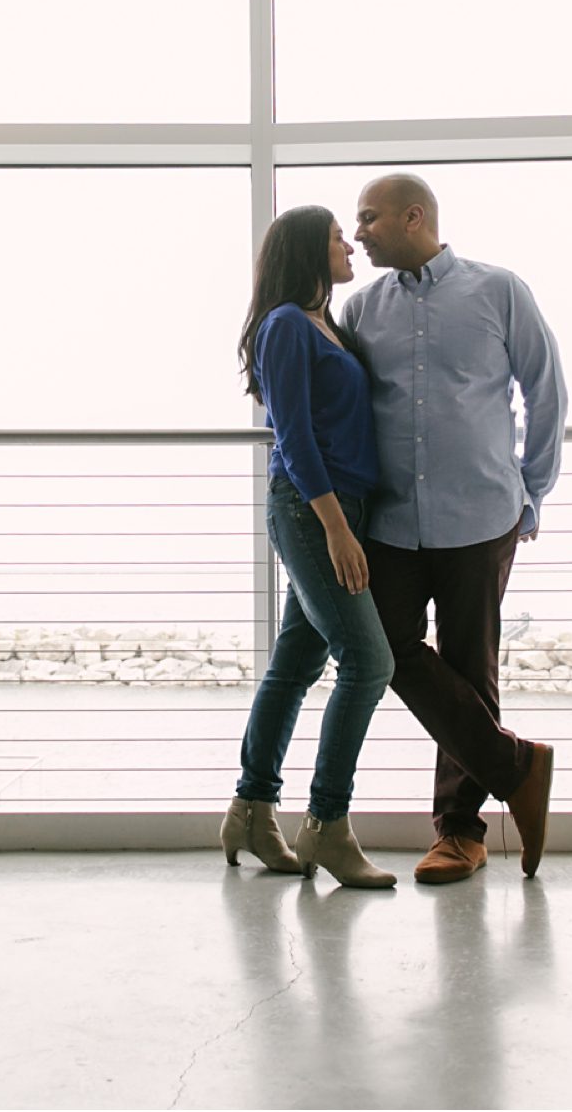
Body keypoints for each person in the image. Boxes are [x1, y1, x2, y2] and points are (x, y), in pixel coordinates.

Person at [341, 173, 567, 883]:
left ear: (414, 217)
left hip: (481, 515)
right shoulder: (360, 307)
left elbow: (546, 390)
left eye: (369, 218)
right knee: (385, 649)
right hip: (390, 521)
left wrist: (532, 490)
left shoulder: (499, 290)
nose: (358, 233)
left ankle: (461, 833)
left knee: (471, 665)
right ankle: (517, 766)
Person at [223, 204, 398, 889]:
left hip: (336, 505)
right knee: (368, 661)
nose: (350, 245)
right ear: (306, 250)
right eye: (336, 238)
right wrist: (335, 527)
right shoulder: (286, 325)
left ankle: (251, 810)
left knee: (296, 663)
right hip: (312, 508)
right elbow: (292, 437)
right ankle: (326, 823)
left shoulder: (326, 324)